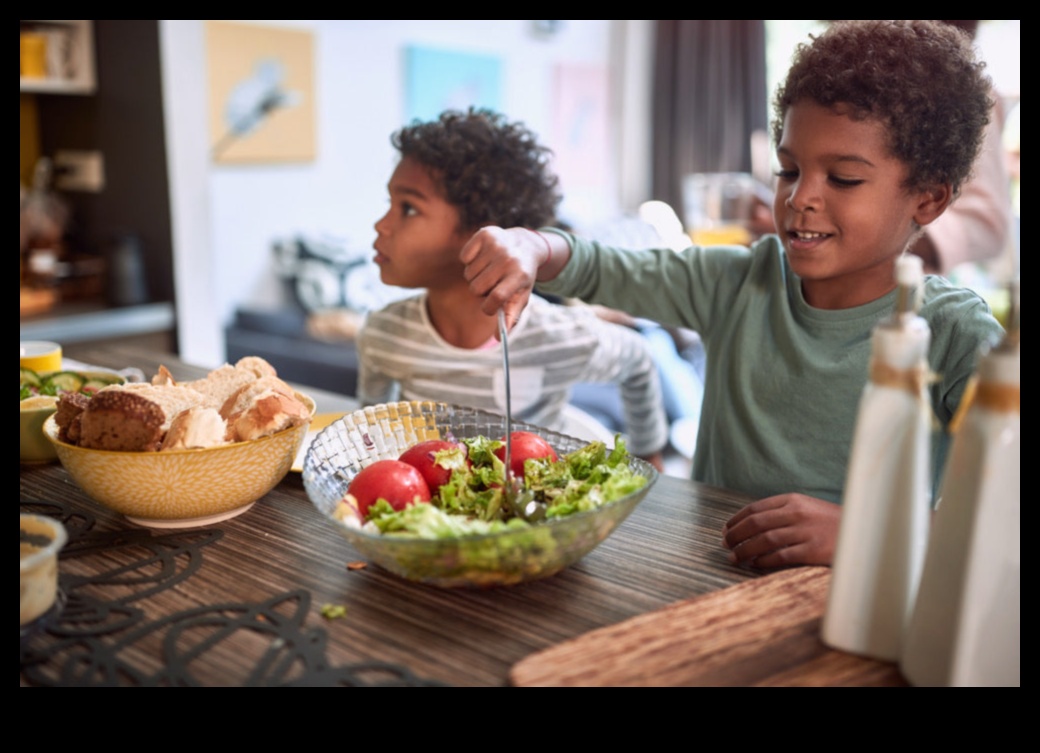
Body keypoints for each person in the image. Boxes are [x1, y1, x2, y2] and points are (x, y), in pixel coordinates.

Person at [458, 21, 1005, 569]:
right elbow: (601, 267)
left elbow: (1005, 505)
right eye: (788, 170)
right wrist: (531, 244)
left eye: (842, 178)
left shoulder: (955, 334)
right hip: (707, 581)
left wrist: (865, 533)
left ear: (928, 200)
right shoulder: (737, 283)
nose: (799, 199)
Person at [357, 108, 669, 470]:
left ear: (484, 235)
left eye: (408, 208)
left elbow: (638, 361)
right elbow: (369, 438)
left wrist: (650, 455)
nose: (381, 224)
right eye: (389, 204)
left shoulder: (562, 336)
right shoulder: (383, 334)